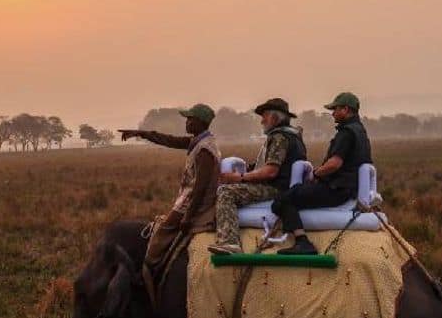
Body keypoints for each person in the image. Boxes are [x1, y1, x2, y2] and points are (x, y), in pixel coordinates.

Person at [118, 104, 221, 283]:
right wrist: (140, 133)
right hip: (188, 202)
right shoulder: (198, 142)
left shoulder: (205, 150)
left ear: (200, 122)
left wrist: (187, 217)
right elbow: (169, 140)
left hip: (193, 205)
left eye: (190, 119)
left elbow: (200, 188)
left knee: (159, 237)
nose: (187, 123)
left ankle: (147, 277)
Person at [271, 92, 373, 255]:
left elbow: (335, 164)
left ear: (346, 109)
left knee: (282, 200)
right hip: (347, 189)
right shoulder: (360, 131)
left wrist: (316, 174)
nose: (332, 113)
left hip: (336, 189)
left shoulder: (346, 133)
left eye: (335, 109)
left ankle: (302, 242)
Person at [208, 98, 307, 255]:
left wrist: (240, 177)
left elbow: (271, 171)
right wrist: (250, 169)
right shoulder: (293, 136)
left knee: (226, 192)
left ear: (275, 117)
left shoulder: (280, 137)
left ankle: (229, 242)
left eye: (265, 116)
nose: (262, 121)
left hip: (275, 188)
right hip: (285, 186)